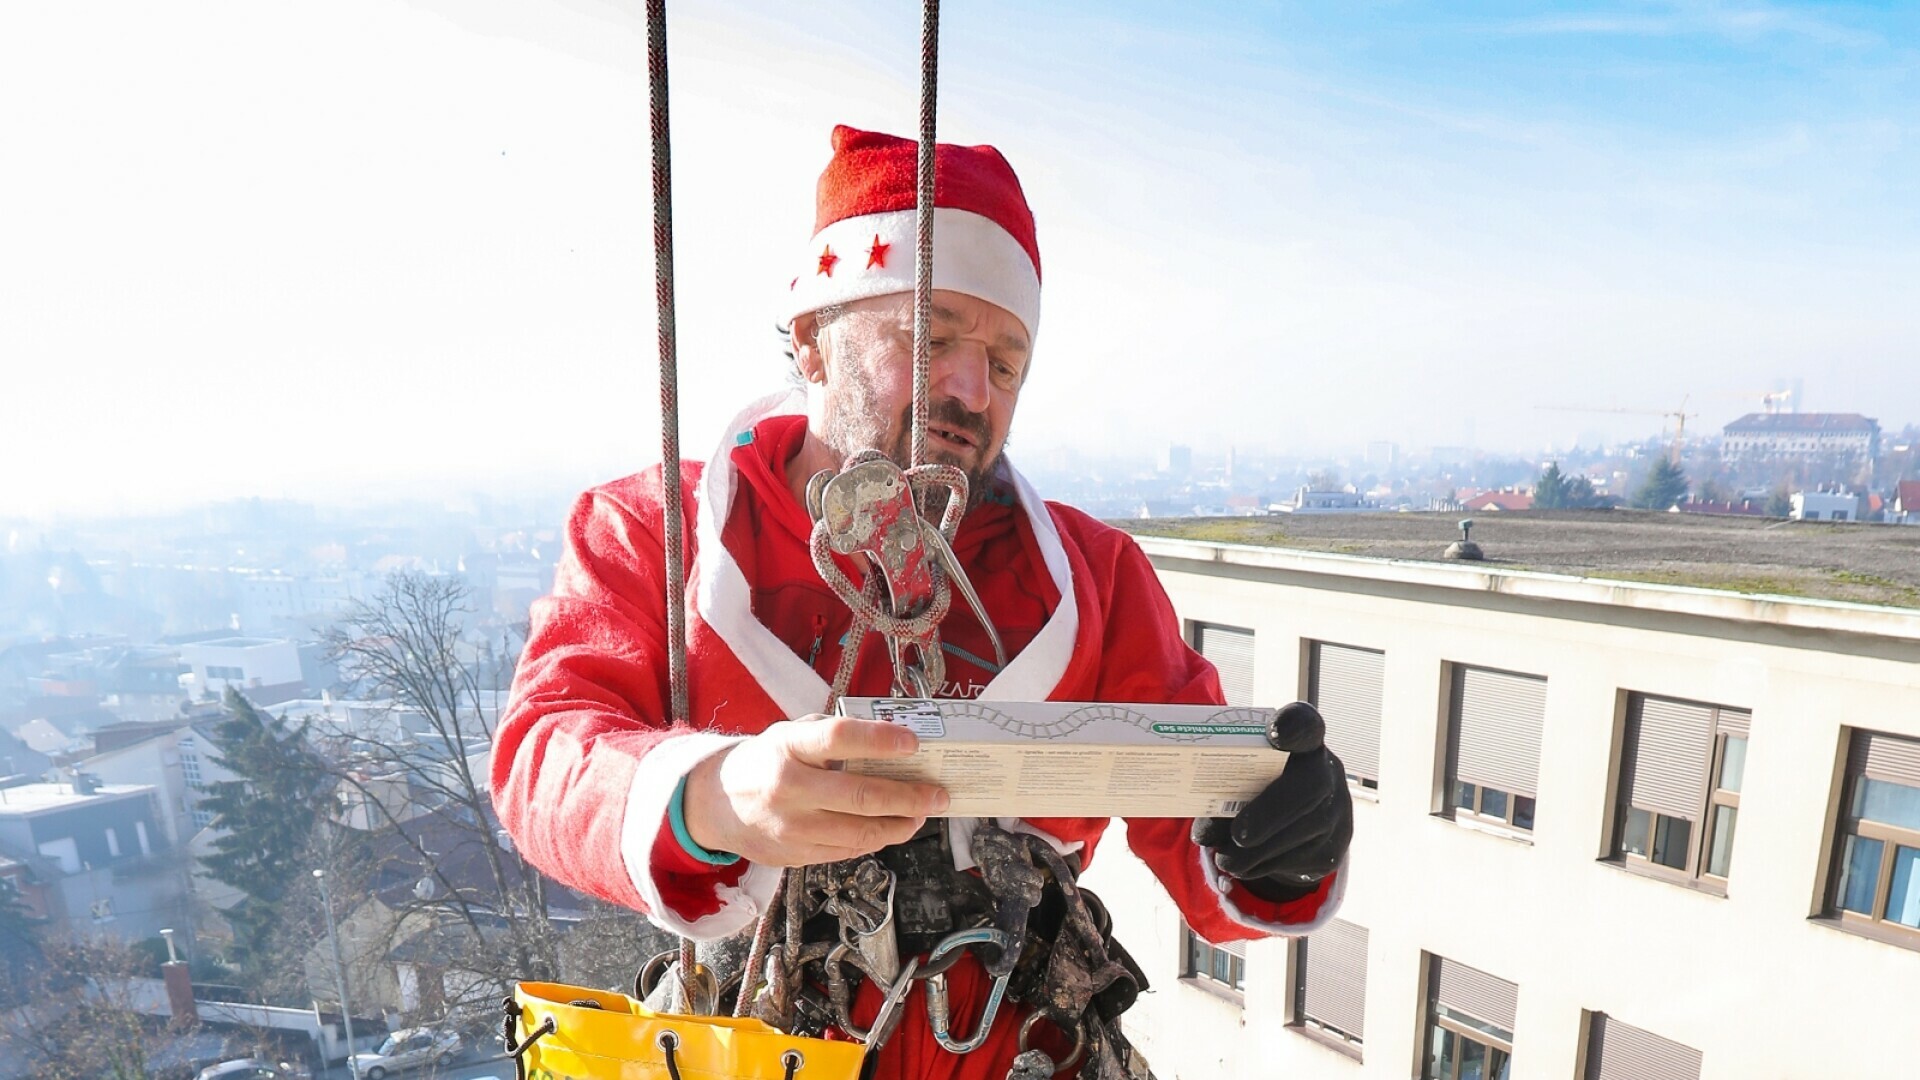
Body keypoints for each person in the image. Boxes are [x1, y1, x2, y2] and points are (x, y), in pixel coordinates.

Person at [492, 124, 1353, 1080]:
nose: (972, 389)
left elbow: (1204, 834)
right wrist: (714, 795)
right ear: (814, 343)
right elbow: (545, 753)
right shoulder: (660, 531)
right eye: (931, 338)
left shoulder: (1091, 575)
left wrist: (1286, 842)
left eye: (1007, 361)